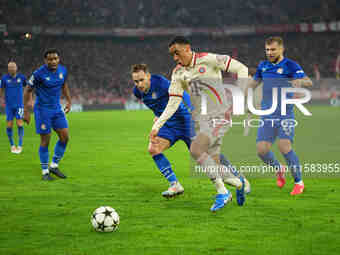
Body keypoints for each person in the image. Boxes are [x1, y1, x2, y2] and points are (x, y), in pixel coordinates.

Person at [149, 36, 249, 212]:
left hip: (220, 116)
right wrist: (157, 126)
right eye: (172, 54)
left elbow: (242, 68)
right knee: (215, 168)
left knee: (195, 149)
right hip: (201, 121)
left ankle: (222, 193)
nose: (175, 58)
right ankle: (238, 184)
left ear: (188, 48)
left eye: (177, 53)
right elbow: (173, 103)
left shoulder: (209, 59)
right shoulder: (178, 74)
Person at [247, 36, 312, 195]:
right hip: (267, 114)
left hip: (284, 113)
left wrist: (299, 82)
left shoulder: (291, 65)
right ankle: (279, 169)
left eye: (273, 49)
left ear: (281, 49)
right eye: (267, 49)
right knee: (261, 151)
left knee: (284, 146)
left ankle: (299, 182)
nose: (269, 52)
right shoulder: (263, 66)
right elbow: (252, 85)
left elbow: (308, 82)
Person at [131, 63, 194, 198]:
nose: (139, 84)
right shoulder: (137, 92)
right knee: (153, 149)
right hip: (167, 124)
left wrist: (194, 110)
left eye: (141, 80)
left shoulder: (160, 83)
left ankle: (235, 177)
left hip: (184, 120)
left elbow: (181, 92)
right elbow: (157, 105)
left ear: (148, 76)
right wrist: (157, 116)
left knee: (202, 156)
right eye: (136, 81)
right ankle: (175, 184)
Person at [23, 49, 72, 181]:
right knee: (46, 141)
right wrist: (26, 111)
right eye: (50, 59)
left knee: (65, 137)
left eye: (55, 58)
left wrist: (69, 100)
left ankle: (54, 165)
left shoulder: (63, 71)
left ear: (59, 59)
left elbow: (64, 85)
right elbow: (27, 90)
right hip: (42, 110)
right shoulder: (38, 73)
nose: (53, 61)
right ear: (45, 61)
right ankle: (45, 172)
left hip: (57, 109)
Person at [0, 60, 26, 153]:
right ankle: (12, 145)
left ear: (16, 68)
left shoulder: (22, 78)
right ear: (8, 69)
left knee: (19, 124)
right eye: (10, 67)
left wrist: (29, 99)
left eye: (13, 67)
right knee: (9, 125)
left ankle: (20, 145)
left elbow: (28, 89)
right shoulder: (4, 79)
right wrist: (1, 99)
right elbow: (1, 90)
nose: (11, 69)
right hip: (9, 106)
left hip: (19, 105)